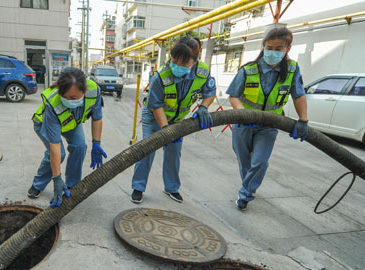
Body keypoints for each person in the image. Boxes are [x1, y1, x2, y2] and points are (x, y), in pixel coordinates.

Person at [227, 27, 308, 210]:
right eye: (269, 47)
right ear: (263, 46)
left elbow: (299, 95)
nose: (272, 52)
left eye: (278, 49)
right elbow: (234, 96)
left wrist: (303, 119)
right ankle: (248, 186)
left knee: (260, 162)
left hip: (270, 124)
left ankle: (245, 194)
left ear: (287, 48)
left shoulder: (292, 69)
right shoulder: (249, 69)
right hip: (244, 124)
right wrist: (243, 113)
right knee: (245, 162)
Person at [130, 36, 216, 204]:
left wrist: (204, 107)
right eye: (174, 61)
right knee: (147, 149)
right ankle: (138, 187)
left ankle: (172, 188)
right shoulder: (161, 75)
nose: (177, 67)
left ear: (194, 61)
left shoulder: (203, 71)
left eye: (184, 63)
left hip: (177, 119)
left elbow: (210, 93)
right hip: (154, 116)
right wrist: (165, 129)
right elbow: (157, 106)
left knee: (173, 153)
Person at [28, 67, 107, 208]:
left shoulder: (94, 90)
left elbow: (97, 118)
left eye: (73, 98)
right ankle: (38, 184)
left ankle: (72, 185)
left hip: (71, 123)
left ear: (85, 91)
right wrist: (56, 178)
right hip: (44, 123)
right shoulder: (53, 104)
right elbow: (55, 145)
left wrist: (96, 143)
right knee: (59, 154)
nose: (67, 101)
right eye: (64, 96)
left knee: (80, 146)